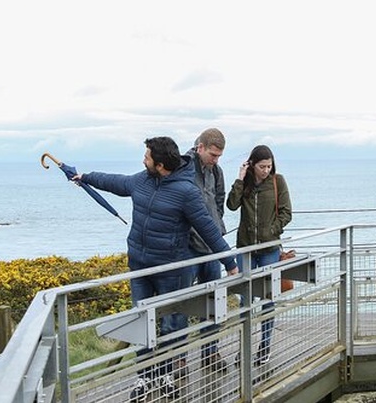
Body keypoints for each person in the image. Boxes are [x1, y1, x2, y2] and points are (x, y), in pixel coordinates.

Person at [73, 136, 238, 401]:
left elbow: (209, 229)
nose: (143, 159)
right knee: (141, 322)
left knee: (170, 325)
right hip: (139, 267)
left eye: (147, 156)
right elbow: (115, 182)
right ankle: (145, 377)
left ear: (160, 164)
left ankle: (165, 374)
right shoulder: (142, 180)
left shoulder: (186, 192)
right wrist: (85, 177)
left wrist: (229, 264)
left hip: (171, 270)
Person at [226, 144, 292, 366]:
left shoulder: (277, 181)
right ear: (252, 164)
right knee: (246, 300)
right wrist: (239, 178)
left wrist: (271, 232)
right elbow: (231, 205)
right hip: (245, 251)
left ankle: (265, 347)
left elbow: (286, 212)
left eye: (269, 166)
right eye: (262, 166)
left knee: (267, 300)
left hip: (269, 251)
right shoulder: (244, 183)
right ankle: (244, 348)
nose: (266, 170)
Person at [184, 128, 228, 372]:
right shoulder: (183, 168)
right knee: (181, 304)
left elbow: (218, 201)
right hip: (188, 248)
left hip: (211, 247)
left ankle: (210, 353)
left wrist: (216, 227)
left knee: (214, 302)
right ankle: (179, 359)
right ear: (199, 147)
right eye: (213, 154)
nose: (215, 160)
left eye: (219, 156)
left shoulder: (216, 171)